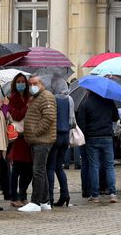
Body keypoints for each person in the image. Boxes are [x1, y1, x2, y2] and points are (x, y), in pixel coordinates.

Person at [18, 75, 57, 212]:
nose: (31, 86)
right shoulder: (35, 98)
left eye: (35, 83)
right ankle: (45, 201)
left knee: (38, 171)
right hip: (36, 140)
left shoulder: (46, 96)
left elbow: (49, 117)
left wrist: (36, 132)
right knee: (41, 171)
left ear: (41, 84)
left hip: (42, 140)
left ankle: (35, 202)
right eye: (30, 84)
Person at [76, 90, 119, 204]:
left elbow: (81, 122)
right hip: (107, 137)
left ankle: (95, 195)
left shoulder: (86, 103)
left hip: (92, 138)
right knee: (109, 165)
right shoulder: (109, 101)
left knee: (94, 166)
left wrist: (85, 136)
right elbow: (115, 117)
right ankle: (113, 194)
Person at [47, 76, 75, 207]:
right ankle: (65, 194)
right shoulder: (69, 99)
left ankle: (50, 197)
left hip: (55, 135)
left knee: (50, 167)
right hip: (66, 136)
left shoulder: (54, 99)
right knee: (59, 167)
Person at [7, 73, 33, 208]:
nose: (21, 83)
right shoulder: (12, 98)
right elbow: (16, 116)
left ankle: (23, 194)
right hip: (18, 137)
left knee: (28, 170)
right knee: (16, 169)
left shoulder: (30, 96)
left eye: (23, 81)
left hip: (29, 137)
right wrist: (27, 106)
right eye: (18, 81)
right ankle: (13, 196)